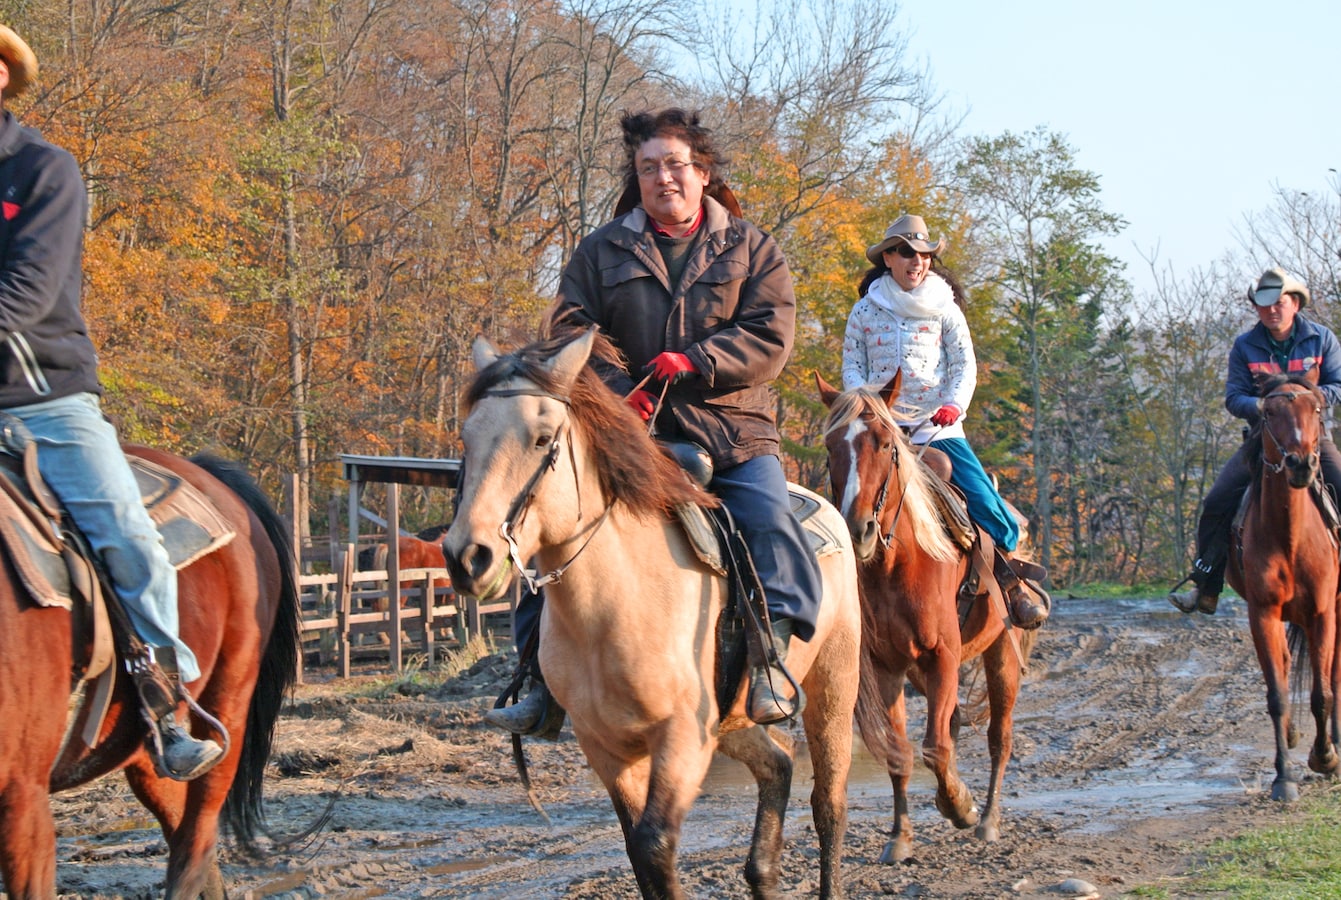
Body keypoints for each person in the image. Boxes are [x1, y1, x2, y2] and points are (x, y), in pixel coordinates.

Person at [485, 107, 821, 733]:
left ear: (701, 173)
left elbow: (771, 337)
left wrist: (693, 361)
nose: (662, 177)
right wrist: (618, 393)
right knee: (545, 527)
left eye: (674, 164)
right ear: (636, 179)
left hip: (732, 426)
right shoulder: (599, 250)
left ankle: (769, 662)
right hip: (626, 429)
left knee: (770, 519)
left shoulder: (754, 248)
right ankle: (536, 676)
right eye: (648, 168)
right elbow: (569, 330)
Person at [0, 25, 221, 780]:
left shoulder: (42, 172)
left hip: (41, 400)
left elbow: (24, 297)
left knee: (125, 532)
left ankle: (166, 701)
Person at [841, 214, 1050, 629]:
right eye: (905, 252)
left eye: (923, 254)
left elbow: (964, 365)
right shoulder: (864, 311)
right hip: (882, 430)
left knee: (982, 504)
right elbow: (852, 367)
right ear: (887, 258)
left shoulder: (945, 308)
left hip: (938, 428)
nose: (916, 261)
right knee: (844, 500)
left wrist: (954, 404)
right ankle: (835, 597)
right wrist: (869, 409)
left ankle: (1011, 584)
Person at [1170, 267, 1341, 614]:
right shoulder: (1245, 346)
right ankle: (1207, 584)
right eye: (1264, 306)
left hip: (1314, 440)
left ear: (1294, 303)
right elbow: (1234, 397)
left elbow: (1338, 385)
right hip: (1263, 443)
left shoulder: (1322, 339)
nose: (1271, 311)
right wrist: (1263, 405)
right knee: (1217, 501)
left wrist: (1305, 398)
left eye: (1278, 303)